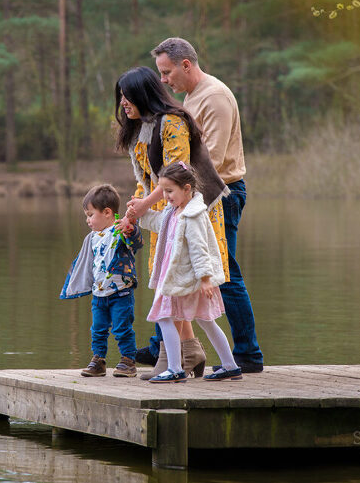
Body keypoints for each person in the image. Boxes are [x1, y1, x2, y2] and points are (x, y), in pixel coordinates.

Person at [149, 37, 264, 373]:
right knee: (190, 269)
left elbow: (208, 162)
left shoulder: (214, 97)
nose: (163, 80)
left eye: (167, 71)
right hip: (195, 194)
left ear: (187, 64)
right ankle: (166, 347)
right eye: (160, 73)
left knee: (223, 273)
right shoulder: (191, 96)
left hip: (221, 193)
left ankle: (247, 355)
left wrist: (170, 196)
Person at [113, 66, 230, 380]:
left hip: (187, 209)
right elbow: (146, 180)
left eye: (129, 96)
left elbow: (175, 171)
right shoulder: (140, 129)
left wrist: (144, 207)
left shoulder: (172, 122)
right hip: (164, 213)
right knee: (171, 284)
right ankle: (185, 353)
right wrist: (132, 215)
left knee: (182, 282)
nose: (124, 103)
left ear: (144, 94)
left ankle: (175, 360)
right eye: (120, 97)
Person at [138, 162, 242, 383]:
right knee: (206, 321)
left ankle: (175, 368)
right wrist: (139, 214)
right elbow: (158, 223)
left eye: (169, 191)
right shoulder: (174, 211)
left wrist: (205, 279)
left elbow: (199, 248)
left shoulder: (193, 214)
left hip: (187, 279)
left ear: (187, 188)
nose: (165, 196)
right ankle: (230, 365)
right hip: (180, 277)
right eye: (163, 190)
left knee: (165, 317)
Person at [60, 184, 144, 377]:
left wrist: (130, 229)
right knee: (97, 329)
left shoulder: (120, 230)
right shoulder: (92, 238)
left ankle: (128, 361)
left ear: (107, 212)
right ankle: (98, 361)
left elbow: (136, 242)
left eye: (90, 215)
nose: (87, 220)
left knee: (122, 328)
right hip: (99, 293)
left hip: (120, 292)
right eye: (86, 216)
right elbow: (86, 263)